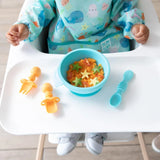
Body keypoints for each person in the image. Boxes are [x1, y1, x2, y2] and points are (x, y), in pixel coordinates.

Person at [6, 0, 149, 156]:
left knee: (108, 84)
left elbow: (123, 5)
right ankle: (67, 124)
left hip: (107, 38)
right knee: (63, 83)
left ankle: (98, 122)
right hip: (65, 39)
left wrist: (135, 26)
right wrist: (26, 26)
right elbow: (41, 5)